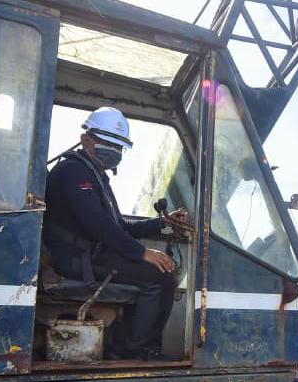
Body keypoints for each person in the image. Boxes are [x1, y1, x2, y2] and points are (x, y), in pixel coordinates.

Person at [43, 106, 190, 361]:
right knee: (159, 277)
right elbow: (97, 225)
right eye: (106, 142)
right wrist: (142, 253)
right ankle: (135, 350)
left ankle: (122, 345)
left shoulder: (95, 176)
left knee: (157, 272)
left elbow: (119, 226)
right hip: (75, 258)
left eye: (118, 146)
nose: (113, 151)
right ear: (85, 139)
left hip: (92, 254)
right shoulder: (73, 172)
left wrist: (162, 224)